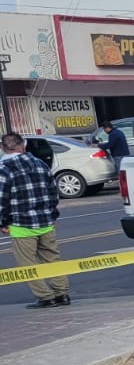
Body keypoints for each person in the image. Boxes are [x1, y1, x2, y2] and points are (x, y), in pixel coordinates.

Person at [0, 130, 71, 308]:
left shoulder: (4, 170)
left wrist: (2, 222)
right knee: (52, 259)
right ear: (23, 145)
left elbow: (2, 199)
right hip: (46, 222)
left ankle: (46, 297)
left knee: (28, 264)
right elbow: (53, 192)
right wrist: (53, 215)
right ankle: (62, 294)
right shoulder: (40, 164)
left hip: (20, 225)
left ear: (2, 148)